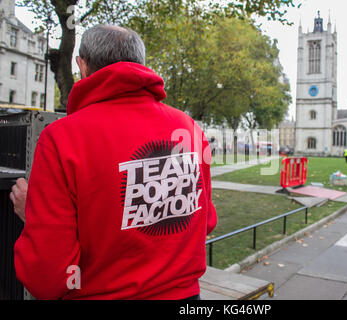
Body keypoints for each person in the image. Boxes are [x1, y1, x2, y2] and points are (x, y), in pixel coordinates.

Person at [9, 25, 217, 300]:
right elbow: (205, 220)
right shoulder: (188, 128)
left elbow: (48, 277)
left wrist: (36, 214)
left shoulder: (62, 138)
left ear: (82, 66)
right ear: (141, 65)